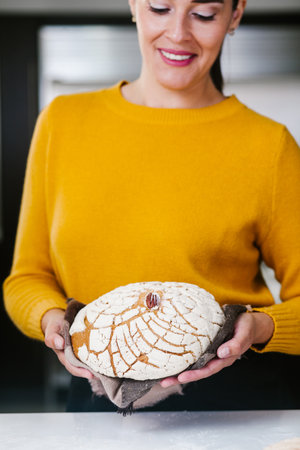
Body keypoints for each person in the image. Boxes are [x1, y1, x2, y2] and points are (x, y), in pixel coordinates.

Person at [3, 0, 300, 412]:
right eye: (161, 7)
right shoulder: (62, 124)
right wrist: (51, 322)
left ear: (235, 15)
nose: (178, 33)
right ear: (133, 5)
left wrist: (260, 326)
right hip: (98, 407)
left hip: (236, 405)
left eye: (204, 14)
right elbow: (26, 278)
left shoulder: (269, 146)